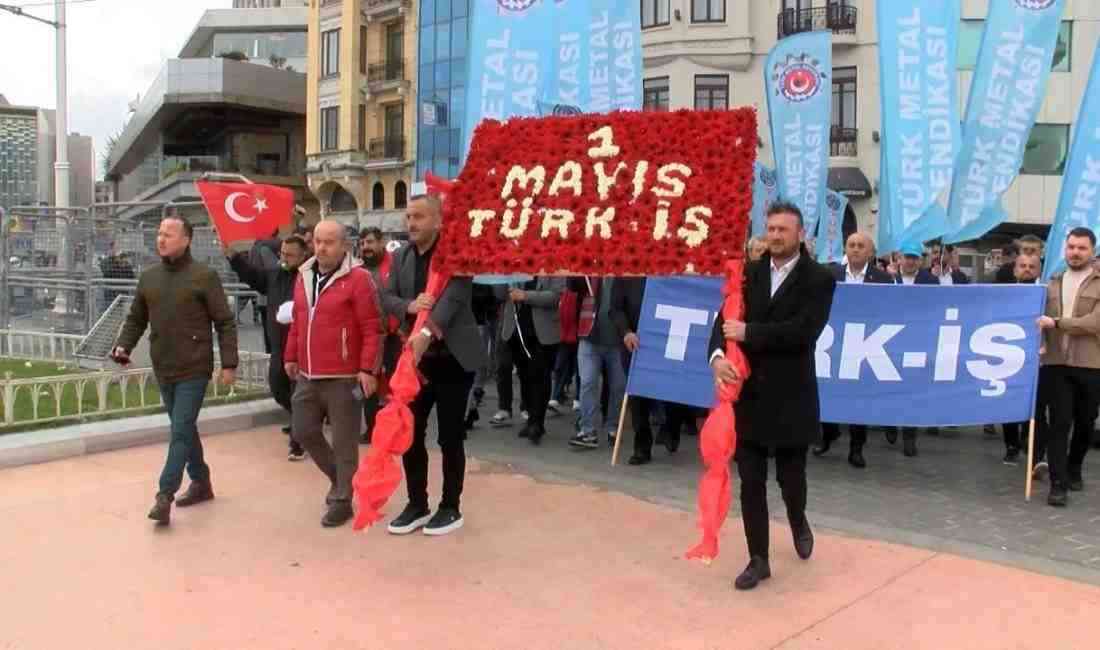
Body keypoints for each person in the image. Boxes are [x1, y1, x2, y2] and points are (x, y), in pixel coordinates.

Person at [709, 201, 836, 591]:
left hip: (792, 396)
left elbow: (803, 331)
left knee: (790, 479)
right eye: (771, 229)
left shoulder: (819, 279)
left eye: (783, 229)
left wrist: (749, 334)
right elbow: (722, 322)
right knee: (751, 482)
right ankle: (758, 559)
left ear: (800, 234)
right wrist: (716, 358)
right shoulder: (748, 274)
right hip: (749, 397)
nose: (775, 236)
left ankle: (798, 519)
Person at [112, 217, 239, 526]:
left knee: (180, 429)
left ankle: (164, 495)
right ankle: (201, 482)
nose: (161, 239)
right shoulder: (149, 278)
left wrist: (229, 363)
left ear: (186, 240)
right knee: (185, 428)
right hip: (164, 365)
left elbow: (224, 322)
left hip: (194, 367)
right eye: (159, 234)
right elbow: (135, 319)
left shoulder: (204, 277)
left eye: (168, 234)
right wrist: (123, 346)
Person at [382, 193, 486, 536]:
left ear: (439, 221)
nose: (411, 223)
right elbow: (387, 297)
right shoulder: (401, 257)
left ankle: (450, 507)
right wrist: (410, 307)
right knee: (410, 435)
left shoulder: (458, 253)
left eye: (419, 217)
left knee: (450, 437)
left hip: (454, 357)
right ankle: (417, 504)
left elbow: (454, 299)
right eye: (408, 217)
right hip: (417, 361)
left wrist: (427, 328)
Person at [284, 221, 383, 527]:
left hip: (344, 376)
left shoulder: (359, 279)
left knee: (344, 442)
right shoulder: (303, 276)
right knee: (303, 431)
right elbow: (298, 320)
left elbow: (372, 327)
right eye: (318, 241)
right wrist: (290, 354)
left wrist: (367, 369)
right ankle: (341, 481)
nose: (322, 247)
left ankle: (342, 500)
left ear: (344, 246)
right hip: (308, 374)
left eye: (329, 242)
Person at [228, 235, 310, 461]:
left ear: (303, 256)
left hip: (304, 347)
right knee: (277, 386)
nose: (283, 259)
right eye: (282, 254)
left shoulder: (311, 277)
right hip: (279, 345)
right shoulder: (275, 274)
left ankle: (298, 442)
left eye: (289, 255)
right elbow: (253, 277)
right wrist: (234, 257)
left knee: (298, 393)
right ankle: (301, 420)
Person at [814, 232, 892, 468]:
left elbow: (889, 310)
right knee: (829, 393)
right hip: (834, 345)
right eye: (851, 245)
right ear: (845, 249)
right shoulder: (830, 274)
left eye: (861, 246)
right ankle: (828, 435)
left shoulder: (882, 279)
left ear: (870, 252)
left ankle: (856, 448)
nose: (856, 249)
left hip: (866, 345)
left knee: (859, 398)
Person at [1037, 227, 1100, 507]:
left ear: (1092, 251)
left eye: (1081, 248)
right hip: (1055, 363)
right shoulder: (1052, 282)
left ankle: (1074, 468)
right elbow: (1038, 319)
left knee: (1085, 423)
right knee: (1059, 423)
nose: (1075, 252)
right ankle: (1058, 483)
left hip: (1090, 364)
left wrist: (1059, 323)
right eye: (1071, 247)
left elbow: (1094, 323)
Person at [610, 277, 692, 465]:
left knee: (672, 389)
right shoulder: (627, 273)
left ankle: (671, 428)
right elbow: (615, 309)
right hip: (635, 344)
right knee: (638, 396)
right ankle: (641, 447)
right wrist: (626, 331)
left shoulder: (670, 271)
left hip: (668, 340)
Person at [496, 277, 564, 444]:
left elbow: (555, 297)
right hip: (516, 331)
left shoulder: (553, 262)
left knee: (541, 377)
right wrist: (501, 277)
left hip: (543, 333)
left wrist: (525, 296)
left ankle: (537, 422)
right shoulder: (513, 263)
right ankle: (530, 418)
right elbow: (499, 295)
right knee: (525, 376)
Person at [568, 275, 627, 450]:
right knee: (587, 383)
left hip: (618, 341)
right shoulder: (589, 270)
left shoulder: (627, 274)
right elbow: (572, 284)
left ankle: (613, 427)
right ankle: (587, 431)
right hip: (589, 337)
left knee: (618, 386)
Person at [358, 227, 401, 443]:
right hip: (370, 337)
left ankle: (396, 430)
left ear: (381, 242)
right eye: (363, 243)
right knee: (368, 384)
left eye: (370, 242)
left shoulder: (395, 265)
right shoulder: (358, 270)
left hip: (395, 336)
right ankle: (372, 430)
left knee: (396, 385)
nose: (366, 247)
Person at [999, 253, 1041, 465]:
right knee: (1009, 403)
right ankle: (1011, 445)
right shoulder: (1006, 294)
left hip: (1035, 358)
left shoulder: (1044, 294)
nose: (1026, 269)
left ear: (1038, 271)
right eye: (1022, 266)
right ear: (1015, 269)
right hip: (1009, 357)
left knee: (1034, 404)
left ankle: (1029, 441)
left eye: (1031, 267)